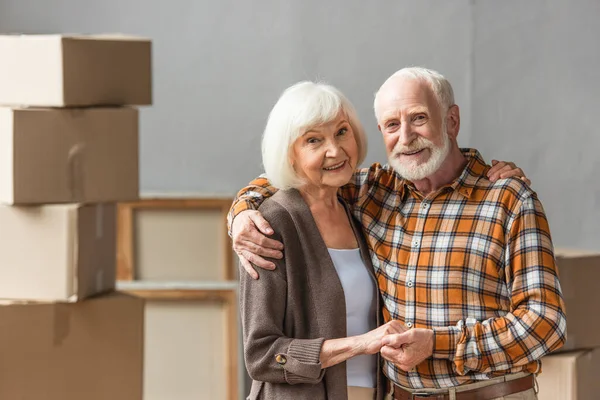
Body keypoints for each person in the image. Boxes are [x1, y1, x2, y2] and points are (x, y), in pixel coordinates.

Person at [229, 67, 565, 400]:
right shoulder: (373, 191)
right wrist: (242, 210)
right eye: (392, 125)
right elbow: (295, 174)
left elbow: (546, 323)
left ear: (451, 121)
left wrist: (438, 343)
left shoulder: (507, 199)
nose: (405, 137)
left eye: (419, 118)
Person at [240, 81, 405, 400]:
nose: (335, 150)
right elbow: (262, 356)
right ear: (290, 154)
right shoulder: (272, 222)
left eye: (342, 132)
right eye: (314, 140)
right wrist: (362, 343)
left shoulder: (357, 210)